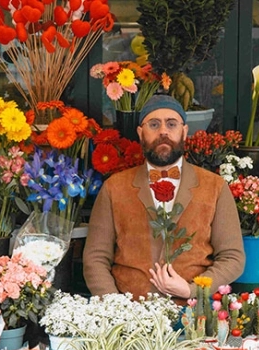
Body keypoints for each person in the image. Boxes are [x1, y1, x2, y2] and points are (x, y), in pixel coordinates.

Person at [83, 95, 245, 300]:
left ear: (184, 132)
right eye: (154, 124)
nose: (163, 131)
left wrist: (192, 290)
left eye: (171, 124)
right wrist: (116, 308)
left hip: (192, 314)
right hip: (131, 314)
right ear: (141, 133)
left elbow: (232, 257)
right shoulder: (114, 188)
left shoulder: (215, 187)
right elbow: (95, 258)